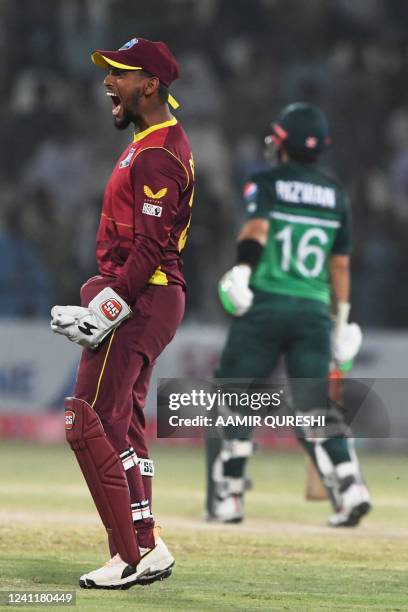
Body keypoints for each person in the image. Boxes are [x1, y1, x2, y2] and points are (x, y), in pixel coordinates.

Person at [50, 37, 194, 589]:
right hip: (144, 298)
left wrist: (106, 310)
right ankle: (146, 544)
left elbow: (152, 247)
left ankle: (129, 555)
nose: (109, 81)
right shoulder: (153, 142)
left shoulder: (157, 152)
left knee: (86, 420)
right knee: (122, 426)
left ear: (151, 84)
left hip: (142, 296)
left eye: (120, 73)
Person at [205, 102, 371, 528]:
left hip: (267, 304)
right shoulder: (336, 194)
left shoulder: (268, 182)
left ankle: (230, 495)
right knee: (314, 405)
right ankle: (351, 486)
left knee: (233, 395)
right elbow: (339, 266)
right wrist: (342, 320)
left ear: (282, 142)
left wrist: (242, 269)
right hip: (314, 310)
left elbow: (257, 231)